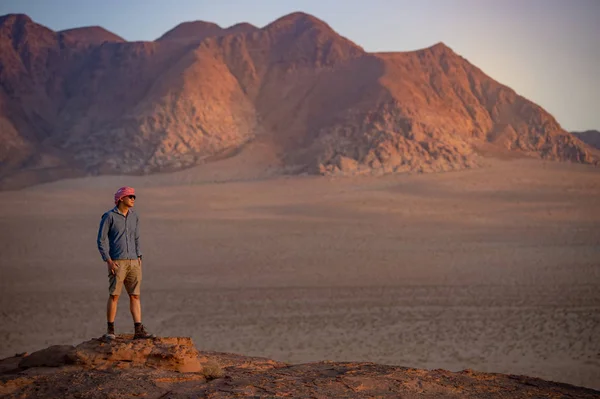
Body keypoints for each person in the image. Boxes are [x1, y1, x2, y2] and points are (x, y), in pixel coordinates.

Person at [97, 186, 155, 340]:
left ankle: (139, 330)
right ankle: (110, 331)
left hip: (134, 261)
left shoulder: (134, 216)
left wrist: (139, 256)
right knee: (114, 295)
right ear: (121, 198)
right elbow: (101, 240)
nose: (133, 199)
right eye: (130, 196)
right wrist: (108, 260)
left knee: (135, 295)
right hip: (117, 261)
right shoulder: (109, 216)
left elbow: (136, 238)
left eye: (134, 197)